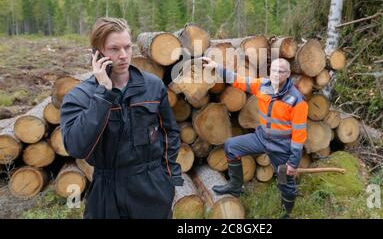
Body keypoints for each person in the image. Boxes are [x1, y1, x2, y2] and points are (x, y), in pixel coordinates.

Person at [60, 17, 183, 219]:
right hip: (107, 190)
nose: (123, 56)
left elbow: (169, 133)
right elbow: (76, 147)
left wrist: (169, 179)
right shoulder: (80, 96)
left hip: (151, 187)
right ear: (97, 53)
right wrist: (103, 94)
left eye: (127, 47)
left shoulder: (152, 86)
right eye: (114, 49)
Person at [202, 56, 308, 219]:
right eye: (273, 70)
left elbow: (299, 135)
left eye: (280, 71)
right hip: (262, 138)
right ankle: (235, 185)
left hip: (282, 148)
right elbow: (237, 79)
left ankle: (286, 212)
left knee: (285, 182)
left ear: (288, 74)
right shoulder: (262, 85)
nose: (275, 74)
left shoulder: (297, 101)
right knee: (231, 146)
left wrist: (293, 163)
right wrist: (217, 67)